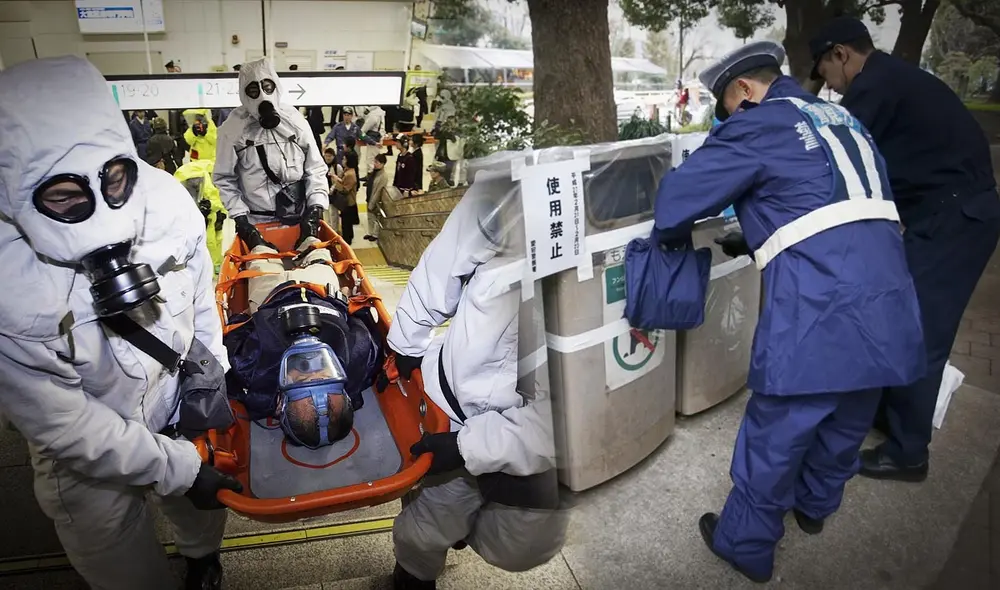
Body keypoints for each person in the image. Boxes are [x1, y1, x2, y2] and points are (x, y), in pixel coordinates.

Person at [652, 42, 925, 583]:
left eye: (727, 109)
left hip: (820, 303)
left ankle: (745, 544)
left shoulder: (758, 122)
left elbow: (675, 201)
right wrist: (757, 232)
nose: (728, 120)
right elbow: (831, 202)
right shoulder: (844, 118)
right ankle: (816, 507)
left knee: (779, 427)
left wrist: (672, 238)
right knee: (850, 411)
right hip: (890, 294)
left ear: (745, 92)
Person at [0, 56, 242, 590]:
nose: (103, 212)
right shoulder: (9, 287)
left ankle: (203, 558)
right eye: (65, 197)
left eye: (113, 181)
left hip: (176, 398)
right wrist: (176, 468)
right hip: (87, 450)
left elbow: (200, 293)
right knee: (121, 565)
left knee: (200, 516)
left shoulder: (168, 202)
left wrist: (213, 370)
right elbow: (64, 426)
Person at [809, 16, 1000, 482]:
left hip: (955, 219)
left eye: (825, 72)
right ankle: (891, 417)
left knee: (920, 332)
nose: (827, 85)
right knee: (899, 318)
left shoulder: (873, 85)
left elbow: (835, 158)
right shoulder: (895, 77)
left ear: (841, 54)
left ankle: (909, 452)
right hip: (948, 213)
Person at [386, 165, 567, 590]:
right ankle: (415, 575)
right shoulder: (517, 185)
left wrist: (470, 449)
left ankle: (455, 529)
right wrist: (407, 342)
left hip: (507, 431)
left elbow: (577, 415)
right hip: (454, 398)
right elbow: (446, 262)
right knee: (425, 526)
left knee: (521, 541)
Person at [213, 58, 329, 253]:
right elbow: (224, 178)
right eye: (253, 91)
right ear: (244, 94)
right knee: (264, 276)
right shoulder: (232, 130)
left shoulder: (294, 121)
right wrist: (242, 221)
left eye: (267, 87)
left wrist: (314, 211)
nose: (262, 96)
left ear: (276, 86)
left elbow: (315, 168)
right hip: (258, 223)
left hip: (299, 218)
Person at [330, 150, 360, 244]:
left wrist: (336, 181)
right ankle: (348, 237)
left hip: (348, 202)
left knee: (346, 224)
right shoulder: (347, 171)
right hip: (348, 202)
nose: (342, 160)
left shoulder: (350, 174)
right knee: (347, 223)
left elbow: (345, 190)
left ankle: (347, 241)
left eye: (344, 159)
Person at [364, 153, 390, 242]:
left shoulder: (383, 176)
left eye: (377, 162)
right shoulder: (374, 172)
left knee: (375, 217)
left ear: (382, 164)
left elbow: (378, 191)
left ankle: (375, 234)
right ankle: (370, 232)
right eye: (374, 161)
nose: (375, 164)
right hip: (369, 196)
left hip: (375, 200)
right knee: (369, 216)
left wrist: (372, 203)